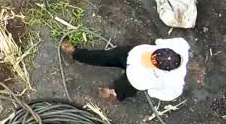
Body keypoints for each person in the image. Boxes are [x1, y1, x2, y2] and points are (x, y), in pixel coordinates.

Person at [61, 37, 189, 101]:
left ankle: (114, 93)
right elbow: (158, 41)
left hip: (139, 77)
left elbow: (156, 92)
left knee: (124, 87)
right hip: (134, 54)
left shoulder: (164, 82)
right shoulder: (178, 45)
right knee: (109, 56)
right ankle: (77, 53)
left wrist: (152, 89)